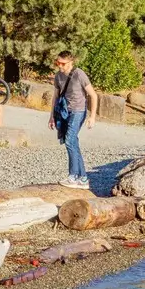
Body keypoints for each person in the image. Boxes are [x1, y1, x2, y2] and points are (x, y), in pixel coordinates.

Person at [50, 51, 95, 189]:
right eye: (58, 63)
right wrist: (51, 116)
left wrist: (92, 117)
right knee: (73, 142)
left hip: (78, 111)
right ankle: (83, 179)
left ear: (71, 63)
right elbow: (55, 97)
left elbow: (93, 95)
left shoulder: (79, 74)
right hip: (65, 111)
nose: (60, 66)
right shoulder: (58, 76)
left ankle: (73, 176)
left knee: (69, 140)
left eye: (62, 63)